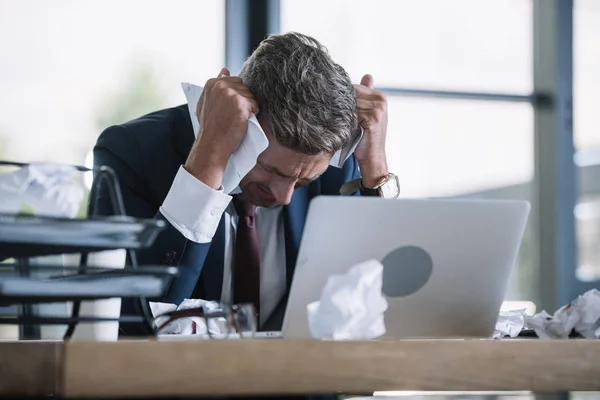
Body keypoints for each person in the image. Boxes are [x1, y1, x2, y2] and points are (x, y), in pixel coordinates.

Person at [92, 32, 399, 336]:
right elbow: (127, 318)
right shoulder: (131, 152)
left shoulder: (336, 168)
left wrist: (376, 171)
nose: (285, 197)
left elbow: (378, 310)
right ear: (244, 126)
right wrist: (208, 158)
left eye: (304, 182)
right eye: (269, 169)